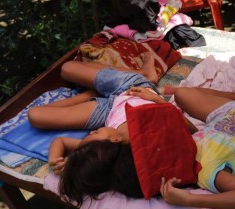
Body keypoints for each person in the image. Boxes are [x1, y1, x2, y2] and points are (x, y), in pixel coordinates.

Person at [59, 58, 235, 209]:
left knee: (182, 96)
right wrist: (191, 199)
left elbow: (187, 128)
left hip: (225, 121)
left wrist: (160, 104)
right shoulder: (206, 171)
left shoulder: (180, 149)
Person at [28, 54, 196, 175]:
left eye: (92, 133)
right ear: (115, 139)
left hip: (108, 111)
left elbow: (60, 141)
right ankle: (145, 74)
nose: (91, 132)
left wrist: (55, 162)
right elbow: (191, 129)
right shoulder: (144, 135)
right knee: (67, 68)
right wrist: (156, 99)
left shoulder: (99, 149)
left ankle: (87, 94)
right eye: (95, 133)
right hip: (134, 89)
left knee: (36, 116)